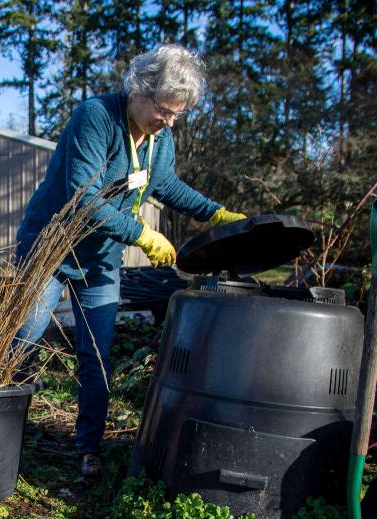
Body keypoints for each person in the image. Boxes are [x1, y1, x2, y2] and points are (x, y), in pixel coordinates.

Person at [14, 45, 246, 478]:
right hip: (49, 250)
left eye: (177, 115)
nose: (170, 121)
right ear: (139, 90)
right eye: (164, 110)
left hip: (100, 260)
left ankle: (89, 447)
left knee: (96, 356)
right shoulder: (95, 119)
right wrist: (142, 234)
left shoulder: (160, 138)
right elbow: (82, 198)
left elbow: (167, 185)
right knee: (23, 342)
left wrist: (214, 213)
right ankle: (3, 434)